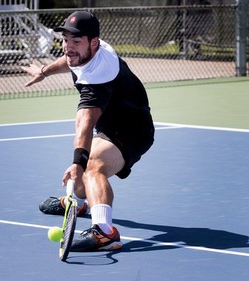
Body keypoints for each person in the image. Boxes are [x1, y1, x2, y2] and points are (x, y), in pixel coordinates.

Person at [22, 11, 155, 252]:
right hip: (113, 125)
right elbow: (69, 60)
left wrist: (77, 163)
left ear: (93, 42)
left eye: (76, 41)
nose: (68, 47)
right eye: (65, 40)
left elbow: (85, 122)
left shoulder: (98, 77)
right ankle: (80, 204)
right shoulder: (89, 50)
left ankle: (105, 233)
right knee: (84, 166)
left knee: (92, 166)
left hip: (133, 131)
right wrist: (44, 71)